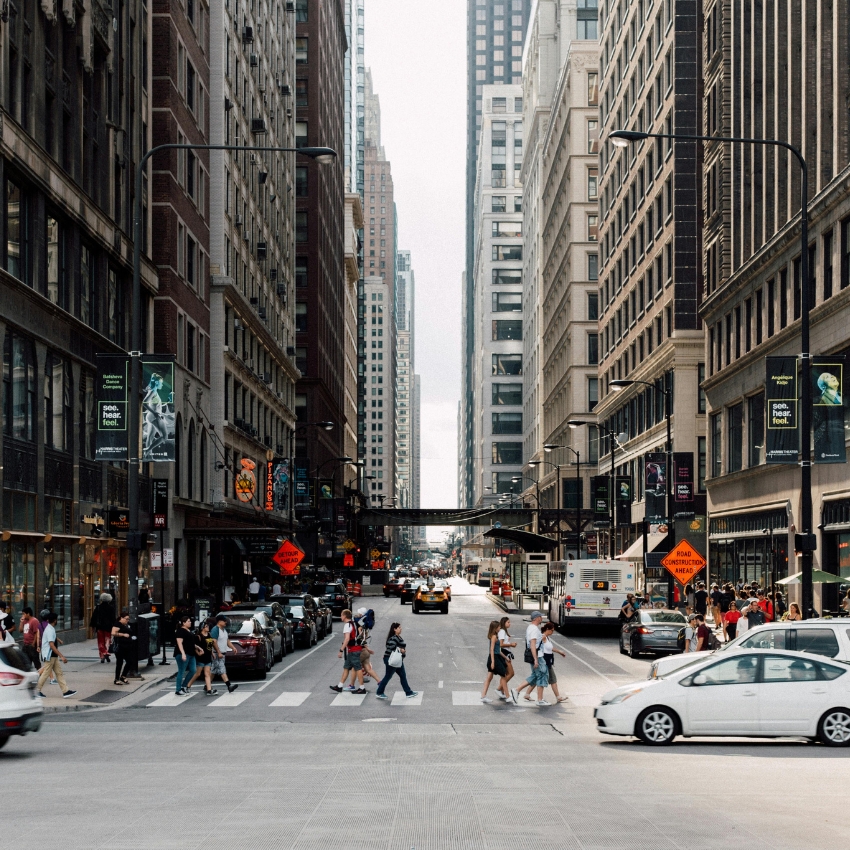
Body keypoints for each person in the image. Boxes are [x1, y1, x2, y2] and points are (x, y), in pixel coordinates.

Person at [36, 613, 76, 699]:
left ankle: (65, 691)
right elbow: (51, 645)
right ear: (55, 620)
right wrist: (61, 656)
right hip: (50, 655)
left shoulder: (50, 629)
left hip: (52, 655)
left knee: (59, 673)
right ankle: (37, 690)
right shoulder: (50, 630)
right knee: (46, 673)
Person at [514, 611, 550, 706]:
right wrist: (536, 659)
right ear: (537, 618)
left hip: (536, 655)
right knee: (542, 675)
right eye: (540, 617)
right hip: (538, 656)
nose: (541, 618)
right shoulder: (534, 629)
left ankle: (517, 690)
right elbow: (533, 644)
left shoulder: (530, 627)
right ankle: (539, 699)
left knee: (535, 675)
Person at [374, 622, 417, 700]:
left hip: (397, 660)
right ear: (394, 629)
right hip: (392, 660)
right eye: (399, 628)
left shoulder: (398, 637)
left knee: (402, 675)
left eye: (400, 627)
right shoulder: (394, 637)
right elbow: (392, 646)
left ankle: (408, 692)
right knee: (388, 676)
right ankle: (379, 692)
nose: (401, 629)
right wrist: (401, 650)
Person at [330, 609, 366, 694]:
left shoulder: (347, 625)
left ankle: (362, 688)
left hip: (353, 650)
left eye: (341, 615)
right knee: (346, 667)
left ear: (345, 616)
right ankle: (340, 686)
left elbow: (347, 639)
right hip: (354, 649)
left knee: (358, 668)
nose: (341, 617)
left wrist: (341, 650)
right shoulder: (354, 623)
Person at [186, 621, 219, 696]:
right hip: (201, 657)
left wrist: (212, 653)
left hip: (208, 657)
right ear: (202, 628)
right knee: (198, 673)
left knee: (207, 673)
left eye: (208, 626)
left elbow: (209, 646)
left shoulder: (209, 635)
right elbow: (194, 647)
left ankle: (209, 689)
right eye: (206, 626)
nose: (208, 628)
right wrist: (198, 653)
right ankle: (188, 686)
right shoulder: (198, 636)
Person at [480, 620, 510, 704]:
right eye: (499, 627)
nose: (500, 628)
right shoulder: (494, 637)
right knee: (503, 675)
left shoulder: (495, 636)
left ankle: (483, 696)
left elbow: (498, 650)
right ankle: (507, 696)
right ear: (495, 628)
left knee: (489, 677)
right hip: (494, 658)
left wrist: (505, 657)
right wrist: (493, 662)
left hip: (495, 657)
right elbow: (492, 649)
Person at [539, 622, 568, 703]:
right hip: (544, 661)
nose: (552, 632)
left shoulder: (547, 637)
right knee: (549, 679)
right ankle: (524, 692)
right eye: (552, 630)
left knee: (548, 679)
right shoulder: (543, 637)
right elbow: (535, 645)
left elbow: (550, 648)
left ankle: (526, 693)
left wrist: (560, 652)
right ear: (547, 629)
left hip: (548, 661)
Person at [210, 615, 239, 693]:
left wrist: (233, 647)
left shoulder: (224, 630)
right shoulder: (215, 630)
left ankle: (207, 685)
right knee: (222, 669)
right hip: (217, 654)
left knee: (213, 670)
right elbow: (214, 641)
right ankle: (229, 686)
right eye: (224, 620)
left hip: (222, 653)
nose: (226, 622)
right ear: (219, 621)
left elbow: (227, 641)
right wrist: (218, 652)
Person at [174, 615, 197, 695]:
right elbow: (179, 643)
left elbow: (190, 642)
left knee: (193, 670)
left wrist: (198, 647)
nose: (190, 622)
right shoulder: (180, 631)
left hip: (191, 653)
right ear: (184, 623)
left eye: (190, 621)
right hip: (183, 654)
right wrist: (183, 654)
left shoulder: (188, 631)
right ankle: (178, 689)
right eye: (188, 621)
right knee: (181, 671)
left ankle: (184, 686)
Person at [90, 593, 115, 663]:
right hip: (108, 627)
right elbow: (113, 618)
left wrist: (93, 626)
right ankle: (106, 652)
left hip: (99, 627)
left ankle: (102, 656)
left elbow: (94, 617)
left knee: (100, 641)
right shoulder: (111, 608)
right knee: (107, 641)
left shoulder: (98, 607)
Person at [111, 612, 135, 685]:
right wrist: (123, 634)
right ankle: (116, 678)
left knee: (130, 661)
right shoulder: (117, 624)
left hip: (127, 646)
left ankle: (123, 676)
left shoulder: (125, 625)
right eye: (126, 619)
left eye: (128, 619)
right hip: (120, 646)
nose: (127, 620)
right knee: (120, 662)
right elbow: (113, 633)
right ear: (121, 618)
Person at [497, 616, 517, 696]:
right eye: (508, 622)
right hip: (504, 653)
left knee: (505, 673)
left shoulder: (504, 631)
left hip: (507, 652)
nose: (510, 624)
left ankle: (502, 690)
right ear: (504, 623)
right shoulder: (502, 631)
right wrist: (511, 644)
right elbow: (501, 644)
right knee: (511, 673)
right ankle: (499, 688)